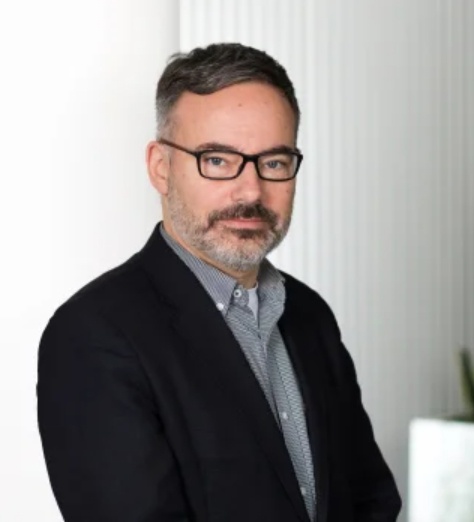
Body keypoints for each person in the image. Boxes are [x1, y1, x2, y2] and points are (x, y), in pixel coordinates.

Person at [37, 42, 401, 522]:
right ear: (161, 168)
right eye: (217, 160)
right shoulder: (95, 335)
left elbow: (371, 500)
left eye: (274, 162)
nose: (251, 190)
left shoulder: (309, 314)